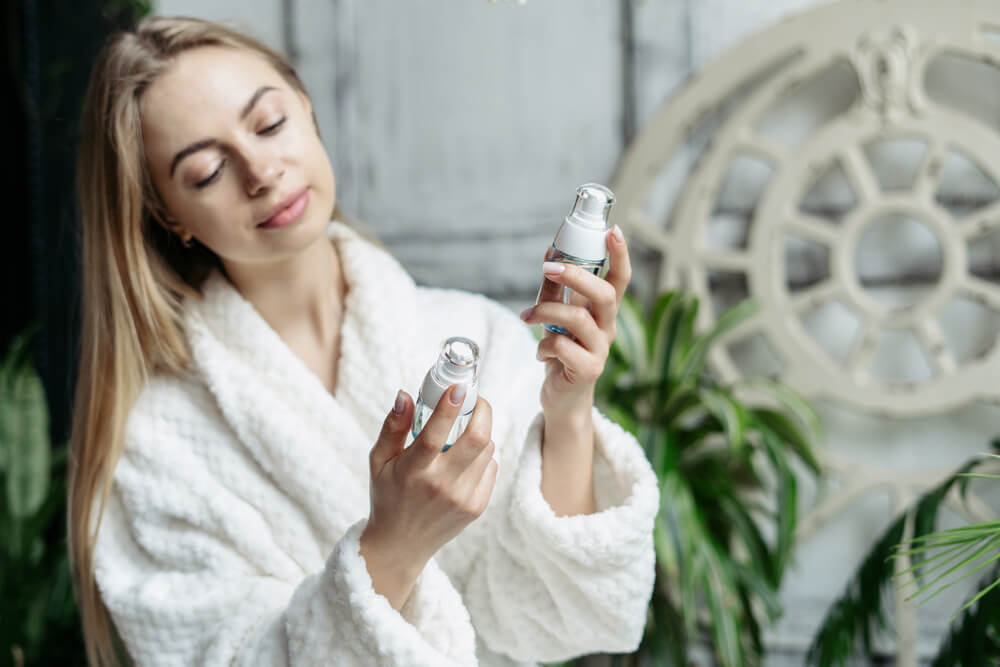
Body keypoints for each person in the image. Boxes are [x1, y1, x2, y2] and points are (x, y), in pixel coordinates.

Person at [67, 16, 658, 667]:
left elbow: (566, 617)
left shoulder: (480, 334)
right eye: (207, 171)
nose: (262, 170)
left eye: (269, 124)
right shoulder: (153, 445)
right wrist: (391, 547)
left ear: (306, 106)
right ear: (166, 213)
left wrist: (569, 413)